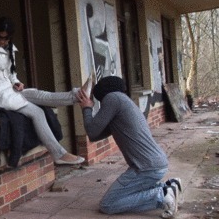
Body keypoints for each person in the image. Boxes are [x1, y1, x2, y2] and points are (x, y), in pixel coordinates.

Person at [76, 76, 182, 218]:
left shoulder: (113, 98)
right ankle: (168, 187)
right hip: (154, 165)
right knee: (123, 196)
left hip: (146, 168)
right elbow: (94, 136)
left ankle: (161, 195)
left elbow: (91, 130)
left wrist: (87, 109)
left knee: (108, 204)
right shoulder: (123, 102)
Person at [0, 16, 85, 165]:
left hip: (10, 90)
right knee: (37, 112)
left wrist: (17, 82)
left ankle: (77, 95)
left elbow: (11, 74)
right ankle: (58, 153)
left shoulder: (10, 47)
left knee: (39, 95)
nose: (1, 41)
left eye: (5, 39)